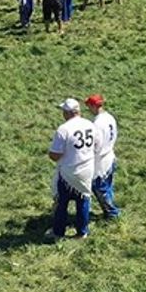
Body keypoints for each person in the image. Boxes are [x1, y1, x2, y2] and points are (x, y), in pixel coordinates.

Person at [47, 98, 100, 240]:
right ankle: (82, 232)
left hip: (68, 173)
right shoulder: (90, 125)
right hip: (87, 170)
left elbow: (55, 155)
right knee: (83, 200)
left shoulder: (64, 129)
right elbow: (97, 145)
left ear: (67, 113)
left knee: (62, 203)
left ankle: (58, 232)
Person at [85, 95, 121, 220]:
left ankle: (112, 213)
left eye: (89, 106)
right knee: (108, 186)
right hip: (110, 154)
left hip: (101, 160)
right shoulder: (109, 117)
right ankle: (110, 212)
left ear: (93, 106)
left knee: (100, 188)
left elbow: (96, 144)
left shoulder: (97, 123)